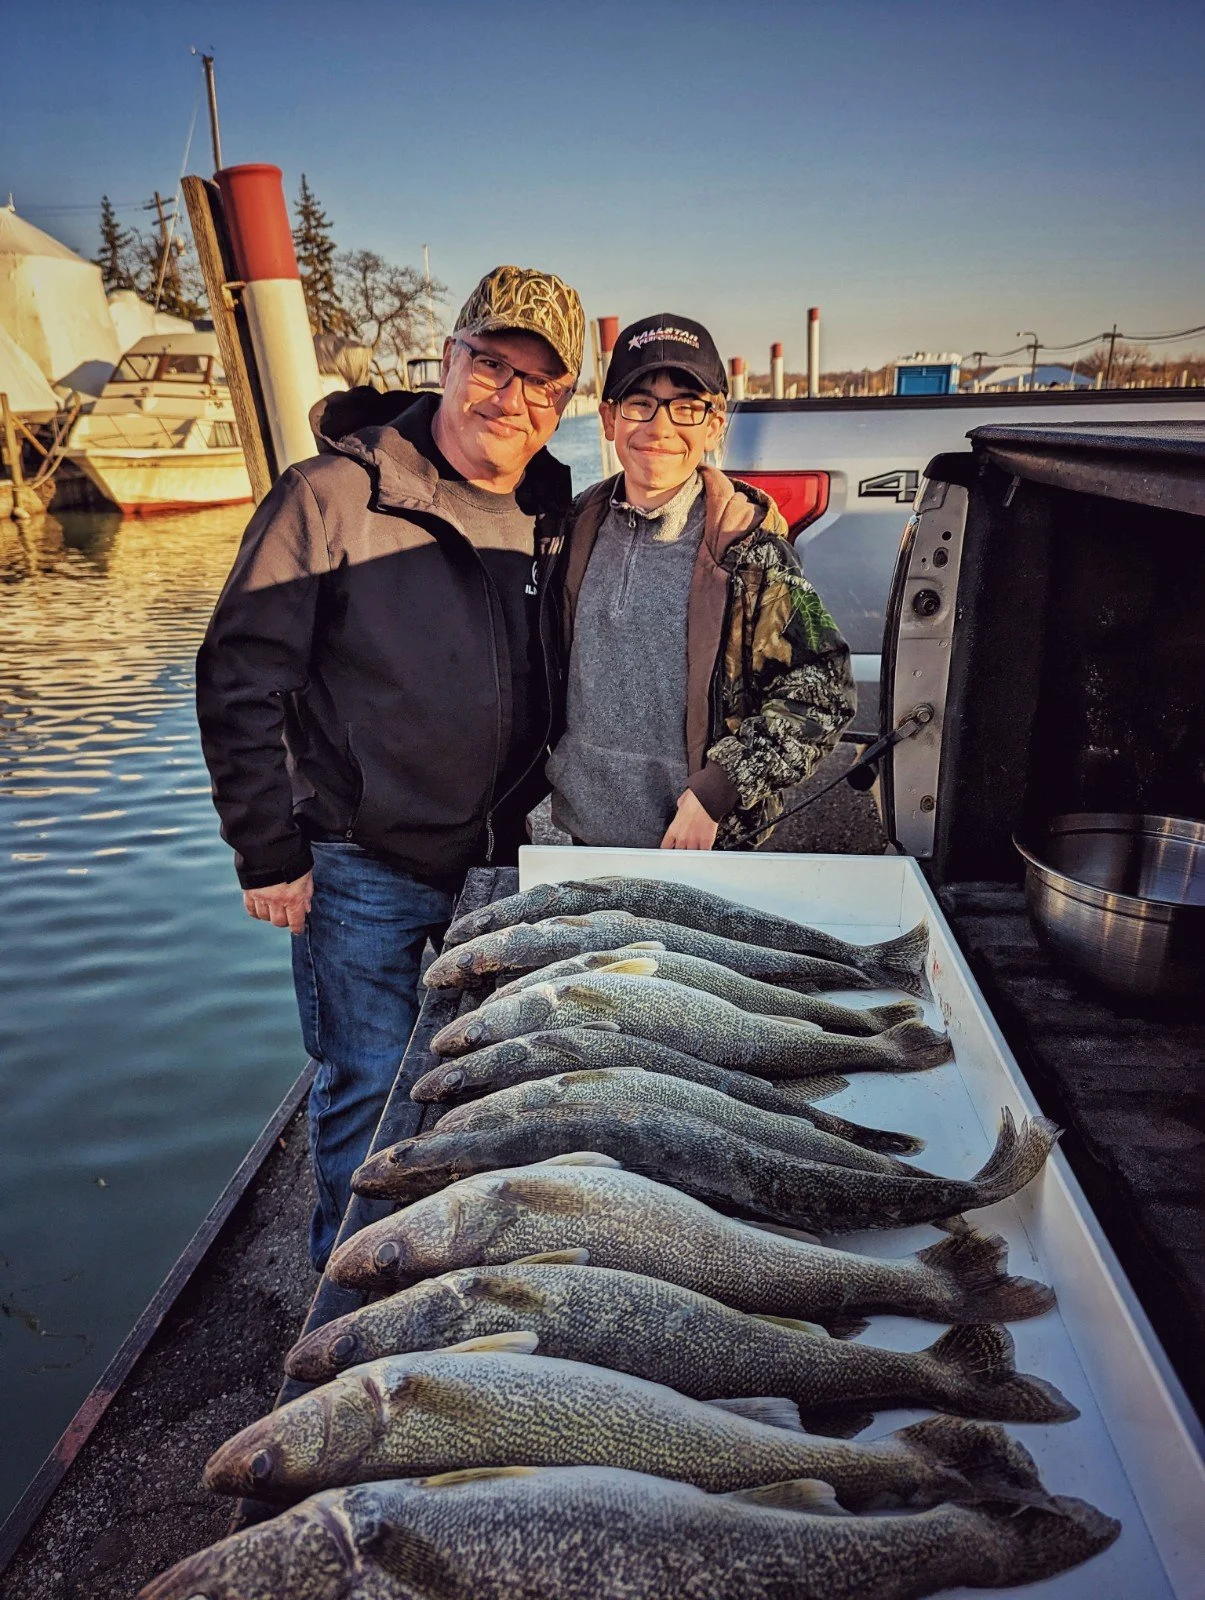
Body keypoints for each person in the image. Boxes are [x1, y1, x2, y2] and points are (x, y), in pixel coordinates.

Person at [196, 265, 584, 1269]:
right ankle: (352, 1291)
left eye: (539, 383)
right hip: (360, 859)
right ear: (448, 358)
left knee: (497, 1082)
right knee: (367, 1082)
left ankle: (461, 1281)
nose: (508, 397)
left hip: (502, 861)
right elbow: (240, 675)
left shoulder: (553, 510)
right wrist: (265, 849)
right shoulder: (329, 496)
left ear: (562, 404)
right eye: (491, 364)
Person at [548, 312, 855, 851]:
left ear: (714, 425)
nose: (660, 428)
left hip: (699, 849)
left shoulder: (753, 555)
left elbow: (824, 692)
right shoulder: (571, 531)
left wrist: (718, 790)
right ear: (607, 418)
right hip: (585, 841)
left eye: (686, 407)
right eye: (639, 403)